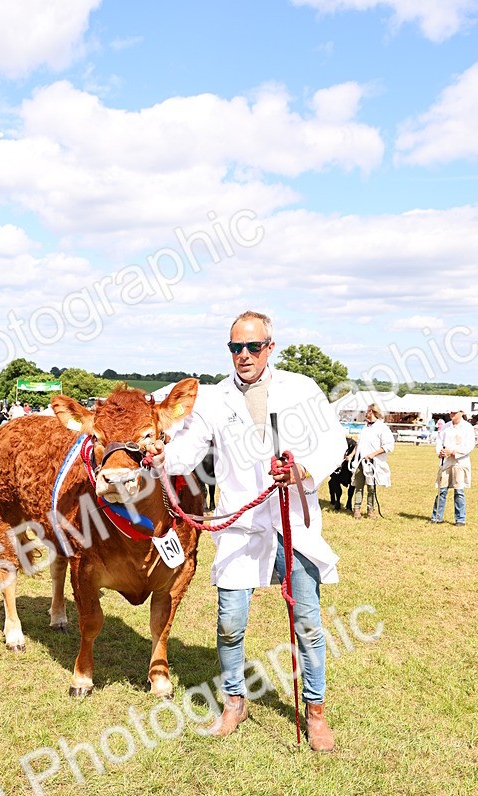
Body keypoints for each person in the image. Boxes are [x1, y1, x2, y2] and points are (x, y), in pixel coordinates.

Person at [147, 310, 346, 751]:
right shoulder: (215, 399)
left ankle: (315, 712)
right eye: (235, 347)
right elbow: (187, 451)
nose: (244, 355)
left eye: (253, 347)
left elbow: (334, 442)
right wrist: (163, 456)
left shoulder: (301, 389)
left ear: (269, 348)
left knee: (308, 622)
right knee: (230, 623)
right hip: (240, 523)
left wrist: (302, 470)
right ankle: (234, 702)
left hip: (293, 522)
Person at [348, 404, 394, 519]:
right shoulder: (365, 427)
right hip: (360, 461)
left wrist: (373, 455)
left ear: (372, 412)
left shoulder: (382, 428)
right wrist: (351, 455)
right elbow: (359, 443)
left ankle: (370, 510)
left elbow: (388, 446)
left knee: (371, 487)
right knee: (358, 486)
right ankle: (357, 509)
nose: (365, 413)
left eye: (367, 411)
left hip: (372, 462)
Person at [431, 408, 475, 525]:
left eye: (454, 413)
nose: (452, 415)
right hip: (446, 461)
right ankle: (436, 517)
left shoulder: (467, 427)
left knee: (459, 490)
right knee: (442, 490)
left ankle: (460, 519)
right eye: (451, 412)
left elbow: (469, 445)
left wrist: (454, 452)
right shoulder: (446, 426)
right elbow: (439, 441)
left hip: (460, 461)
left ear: (461, 413)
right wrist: (440, 451)